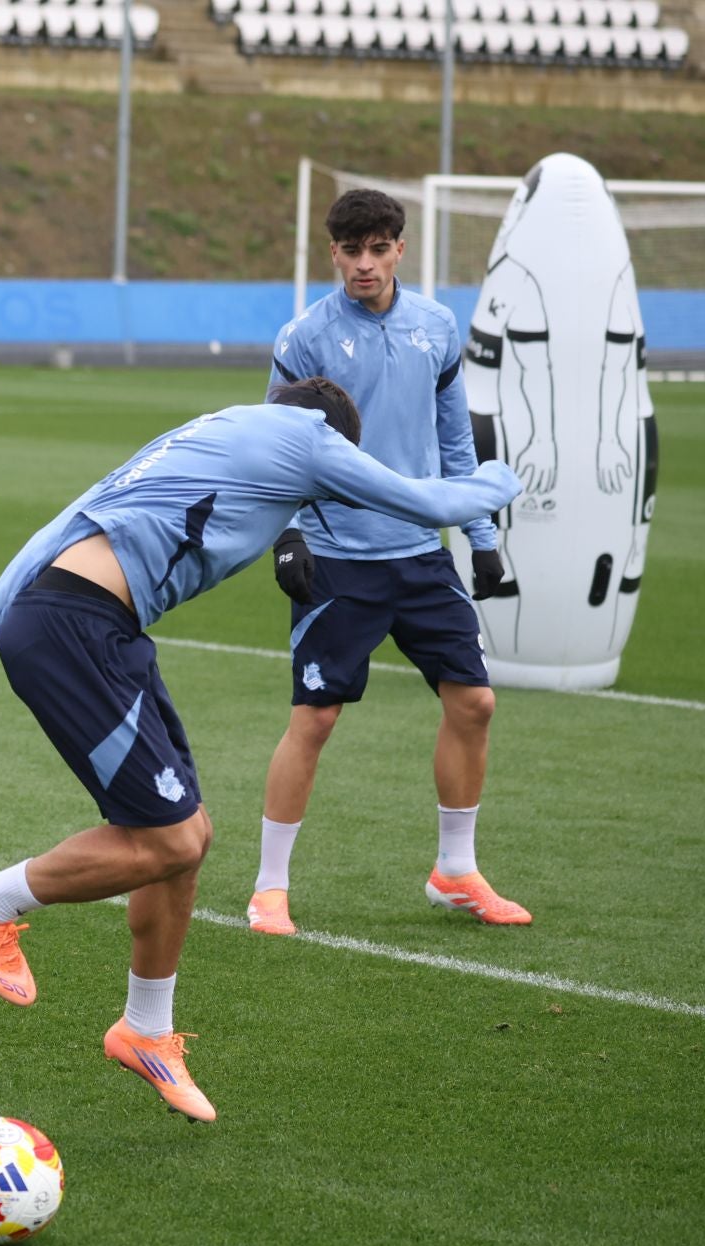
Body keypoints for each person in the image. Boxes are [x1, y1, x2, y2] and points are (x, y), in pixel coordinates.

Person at [0, 380, 519, 1122]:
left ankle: (147, 1029)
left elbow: (64, 523)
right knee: (167, 840)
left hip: (97, 628)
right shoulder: (310, 438)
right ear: (332, 438)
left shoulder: (204, 431)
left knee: (189, 840)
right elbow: (431, 504)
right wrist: (502, 479)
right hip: (74, 631)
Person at [249, 188, 528, 939]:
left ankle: (456, 871)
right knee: (316, 716)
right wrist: (288, 537)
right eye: (350, 250)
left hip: (419, 554)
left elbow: (455, 441)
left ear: (400, 248)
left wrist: (482, 536)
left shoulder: (436, 327)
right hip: (339, 560)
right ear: (333, 253)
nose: (364, 264)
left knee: (475, 703)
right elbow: (276, 447)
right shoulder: (304, 336)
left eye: (378, 249)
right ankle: (269, 888)